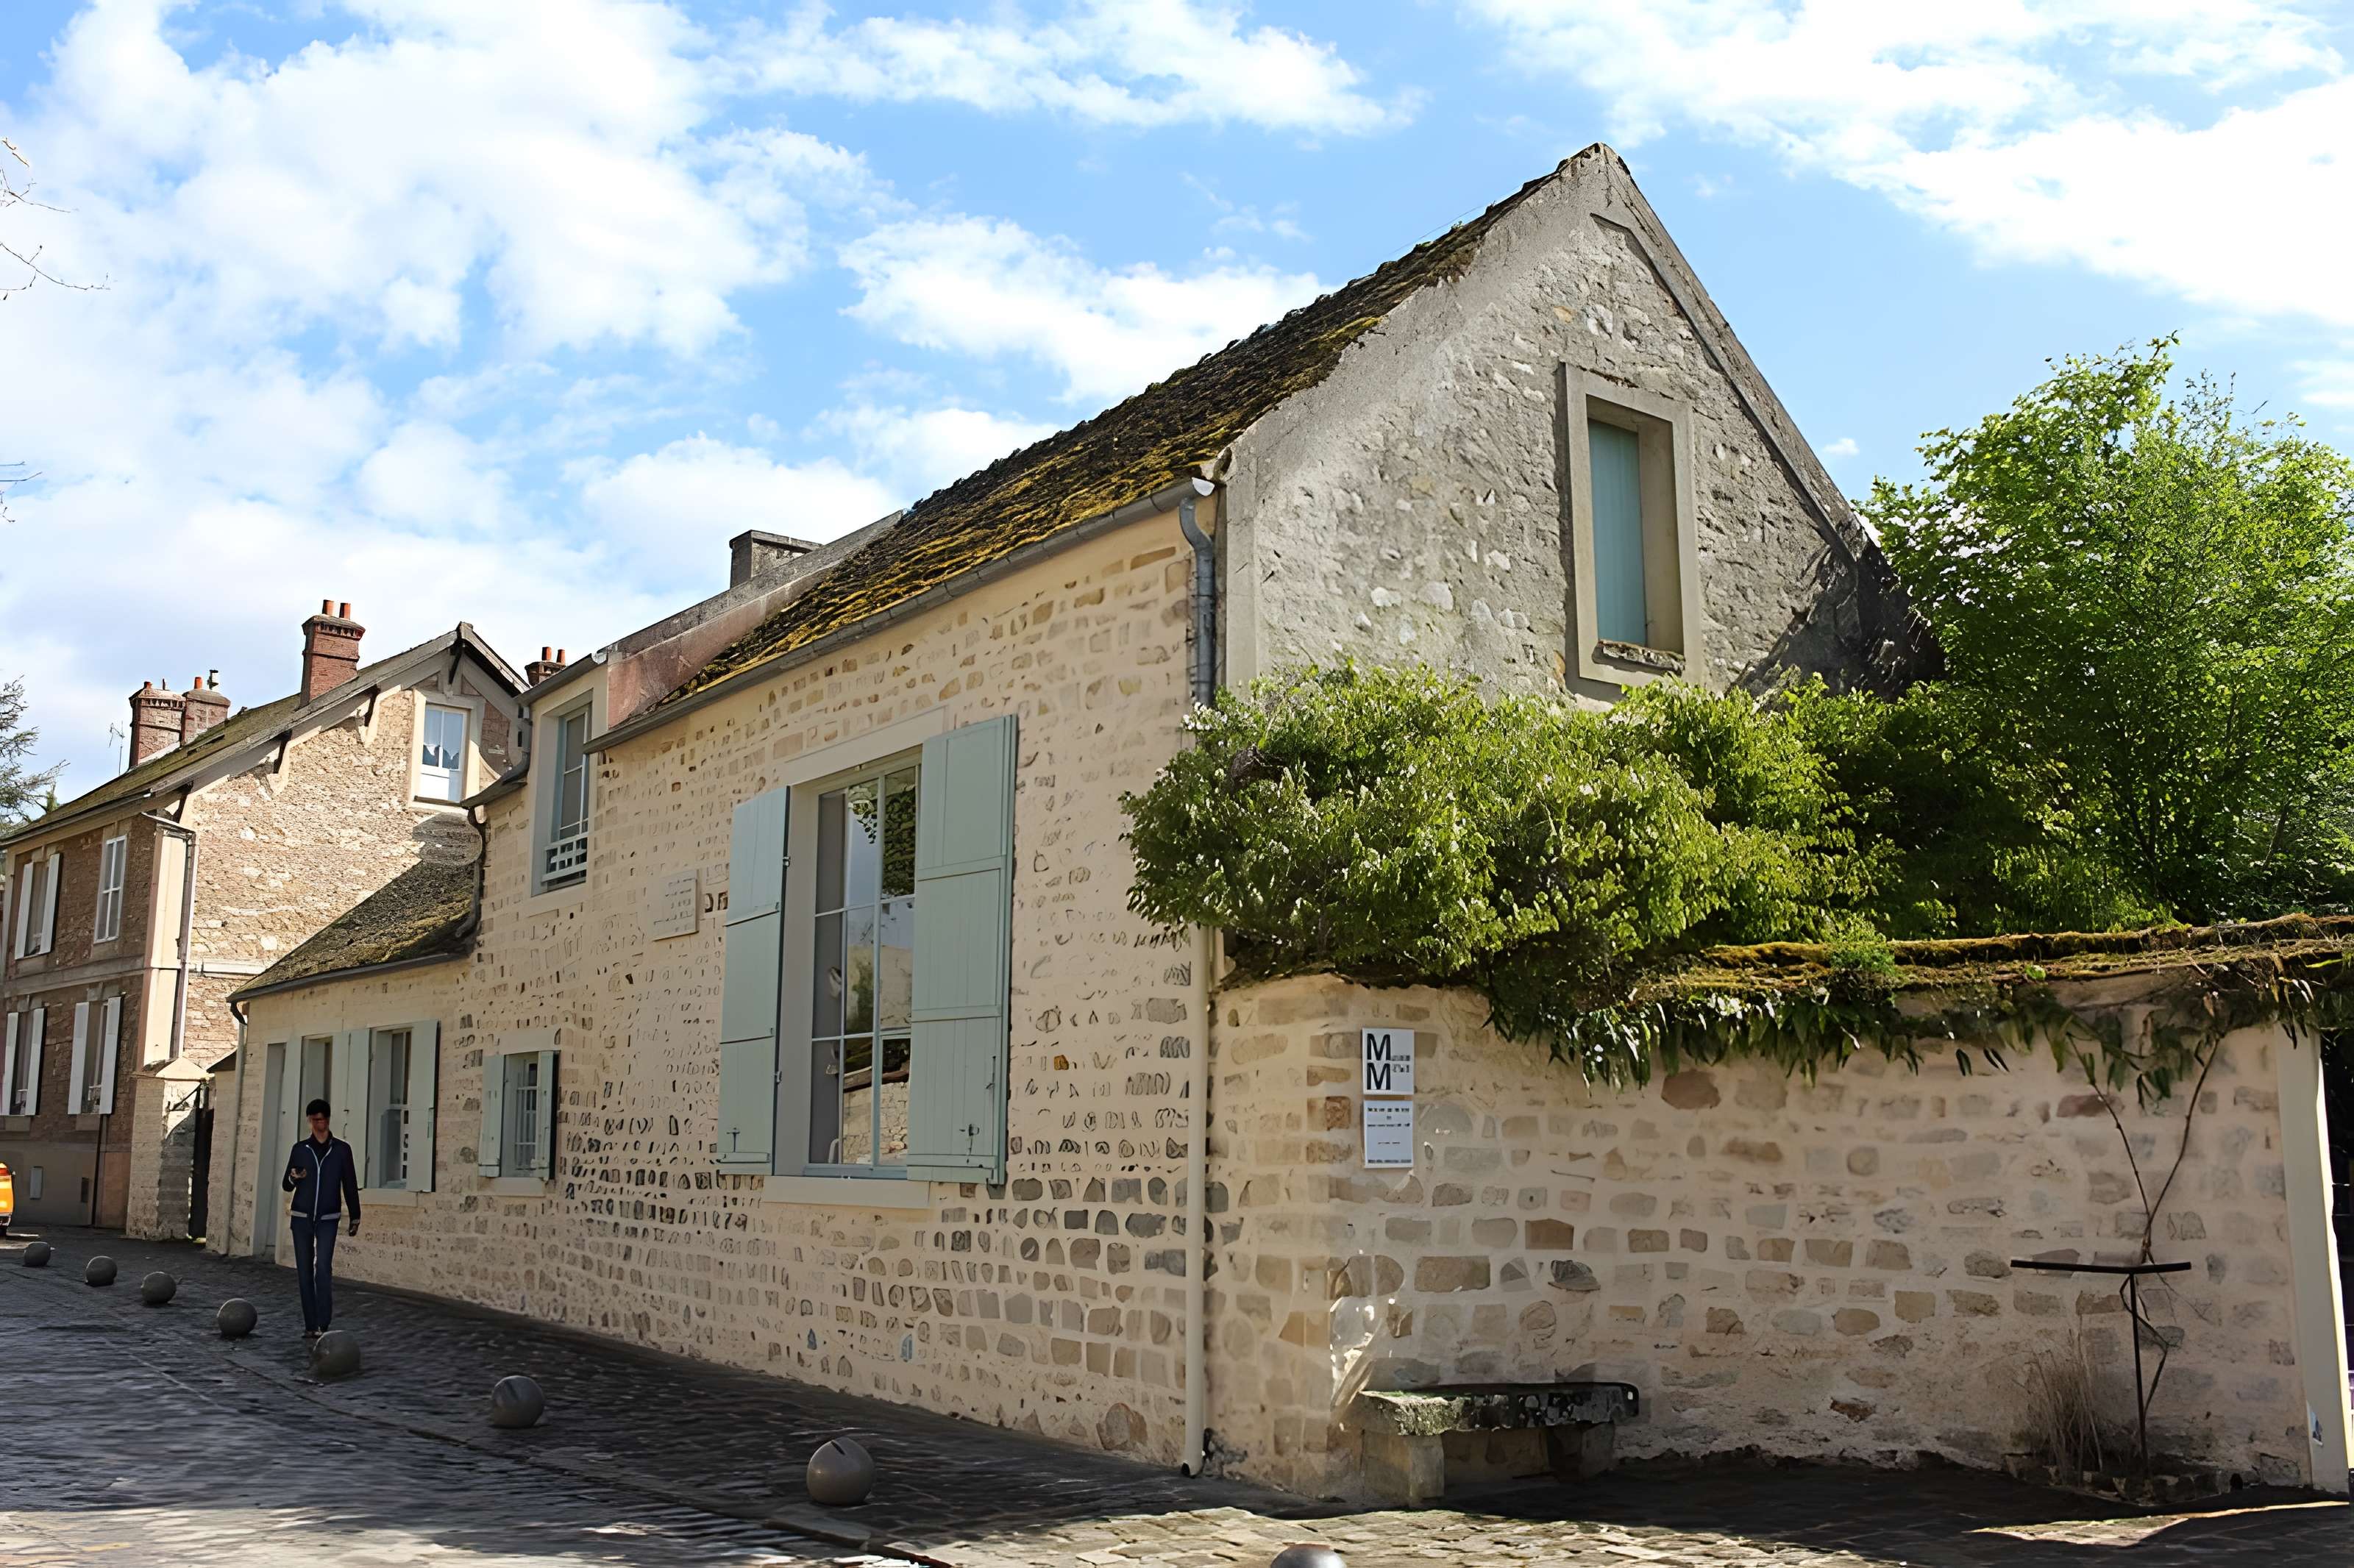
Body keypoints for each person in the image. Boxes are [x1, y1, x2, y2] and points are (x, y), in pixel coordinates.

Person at [281, 1099, 360, 1339]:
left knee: (323, 1268)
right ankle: (311, 1325)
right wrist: (295, 1177)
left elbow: (350, 1184)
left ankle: (323, 1323)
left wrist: (355, 1216)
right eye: (315, 1120)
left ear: (328, 1120)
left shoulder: (342, 1150)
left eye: (323, 1119)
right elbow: (286, 1185)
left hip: (328, 1217)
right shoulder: (300, 1149)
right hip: (301, 1216)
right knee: (304, 1271)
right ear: (309, 1121)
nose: (320, 1124)